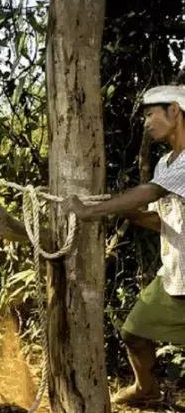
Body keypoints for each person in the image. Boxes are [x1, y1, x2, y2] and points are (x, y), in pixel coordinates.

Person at [66, 85, 185, 406]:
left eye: (150, 115)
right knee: (134, 332)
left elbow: (150, 193)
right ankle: (146, 389)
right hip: (176, 277)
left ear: (174, 112)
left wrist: (91, 211)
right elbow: (162, 220)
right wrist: (130, 214)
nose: (146, 122)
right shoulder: (166, 164)